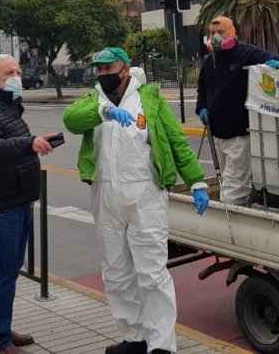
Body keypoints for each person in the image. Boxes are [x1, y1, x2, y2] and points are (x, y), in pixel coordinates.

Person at [63, 47, 209, 354]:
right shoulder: (94, 100)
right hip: (105, 194)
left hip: (145, 194)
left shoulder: (151, 100)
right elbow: (71, 120)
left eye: (109, 68)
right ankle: (134, 338)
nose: (103, 75)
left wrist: (196, 180)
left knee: (152, 273)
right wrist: (103, 112)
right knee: (116, 273)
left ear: (126, 68)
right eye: (99, 70)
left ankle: (161, 345)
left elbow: (177, 141)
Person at [0, 54, 61, 354]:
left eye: (18, 71)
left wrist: (33, 145)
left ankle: (1, 330)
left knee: (8, 273)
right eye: (9, 73)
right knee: (1, 276)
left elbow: (13, 149)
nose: (17, 76)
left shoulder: (7, 108)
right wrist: (28, 144)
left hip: (16, 204)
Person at [196, 16, 279, 205]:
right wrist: (201, 107)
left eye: (221, 32)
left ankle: (231, 218)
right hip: (216, 133)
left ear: (232, 32)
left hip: (238, 135)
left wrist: (275, 62)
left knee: (234, 185)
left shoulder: (246, 53)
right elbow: (202, 89)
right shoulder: (209, 61)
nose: (216, 36)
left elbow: (271, 57)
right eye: (212, 33)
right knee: (226, 178)